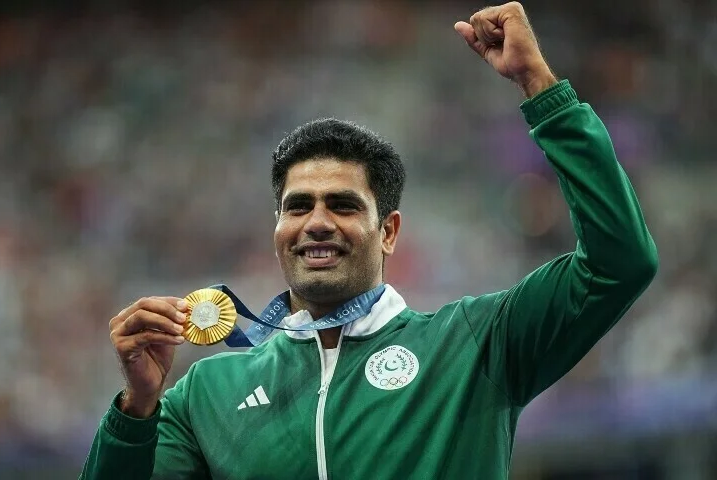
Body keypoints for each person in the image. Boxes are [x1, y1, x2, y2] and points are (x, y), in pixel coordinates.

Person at [80, 3, 658, 479]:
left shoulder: (478, 345)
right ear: (278, 230)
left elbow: (620, 262)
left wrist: (541, 88)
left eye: (344, 205)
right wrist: (136, 412)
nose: (317, 222)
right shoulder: (206, 392)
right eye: (297, 206)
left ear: (388, 232)